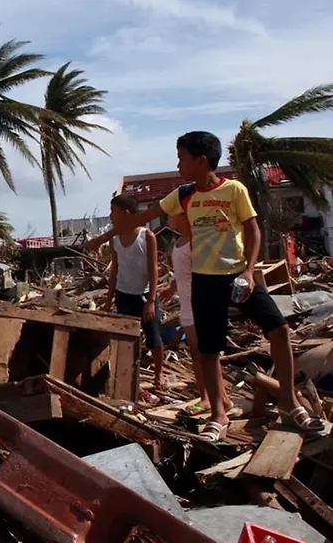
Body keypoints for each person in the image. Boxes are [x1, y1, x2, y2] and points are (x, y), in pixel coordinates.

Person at [87, 131, 323, 440]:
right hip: (204, 282)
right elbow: (141, 218)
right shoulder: (183, 194)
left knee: (278, 329)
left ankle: (289, 403)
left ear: (201, 160)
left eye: (182, 158)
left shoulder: (234, 190)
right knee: (208, 351)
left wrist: (250, 271)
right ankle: (218, 414)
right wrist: (102, 239)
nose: (178, 164)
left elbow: (253, 232)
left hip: (238, 276)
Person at [159, 213, 234, 415]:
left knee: (205, 354)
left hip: (199, 303)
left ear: (183, 217)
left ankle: (215, 399)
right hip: (186, 304)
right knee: (197, 354)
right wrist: (172, 288)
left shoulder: (195, 242)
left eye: (171, 215)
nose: (168, 219)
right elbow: (182, 272)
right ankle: (211, 397)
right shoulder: (179, 242)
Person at [104, 195, 165, 386]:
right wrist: (108, 300)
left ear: (125, 213)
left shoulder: (147, 236)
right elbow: (115, 270)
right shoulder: (114, 239)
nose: (110, 215)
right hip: (124, 295)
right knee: (126, 340)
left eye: (113, 211)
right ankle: (126, 377)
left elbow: (153, 269)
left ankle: (158, 374)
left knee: (154, 338)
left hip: (144, 295)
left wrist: (151, 301)